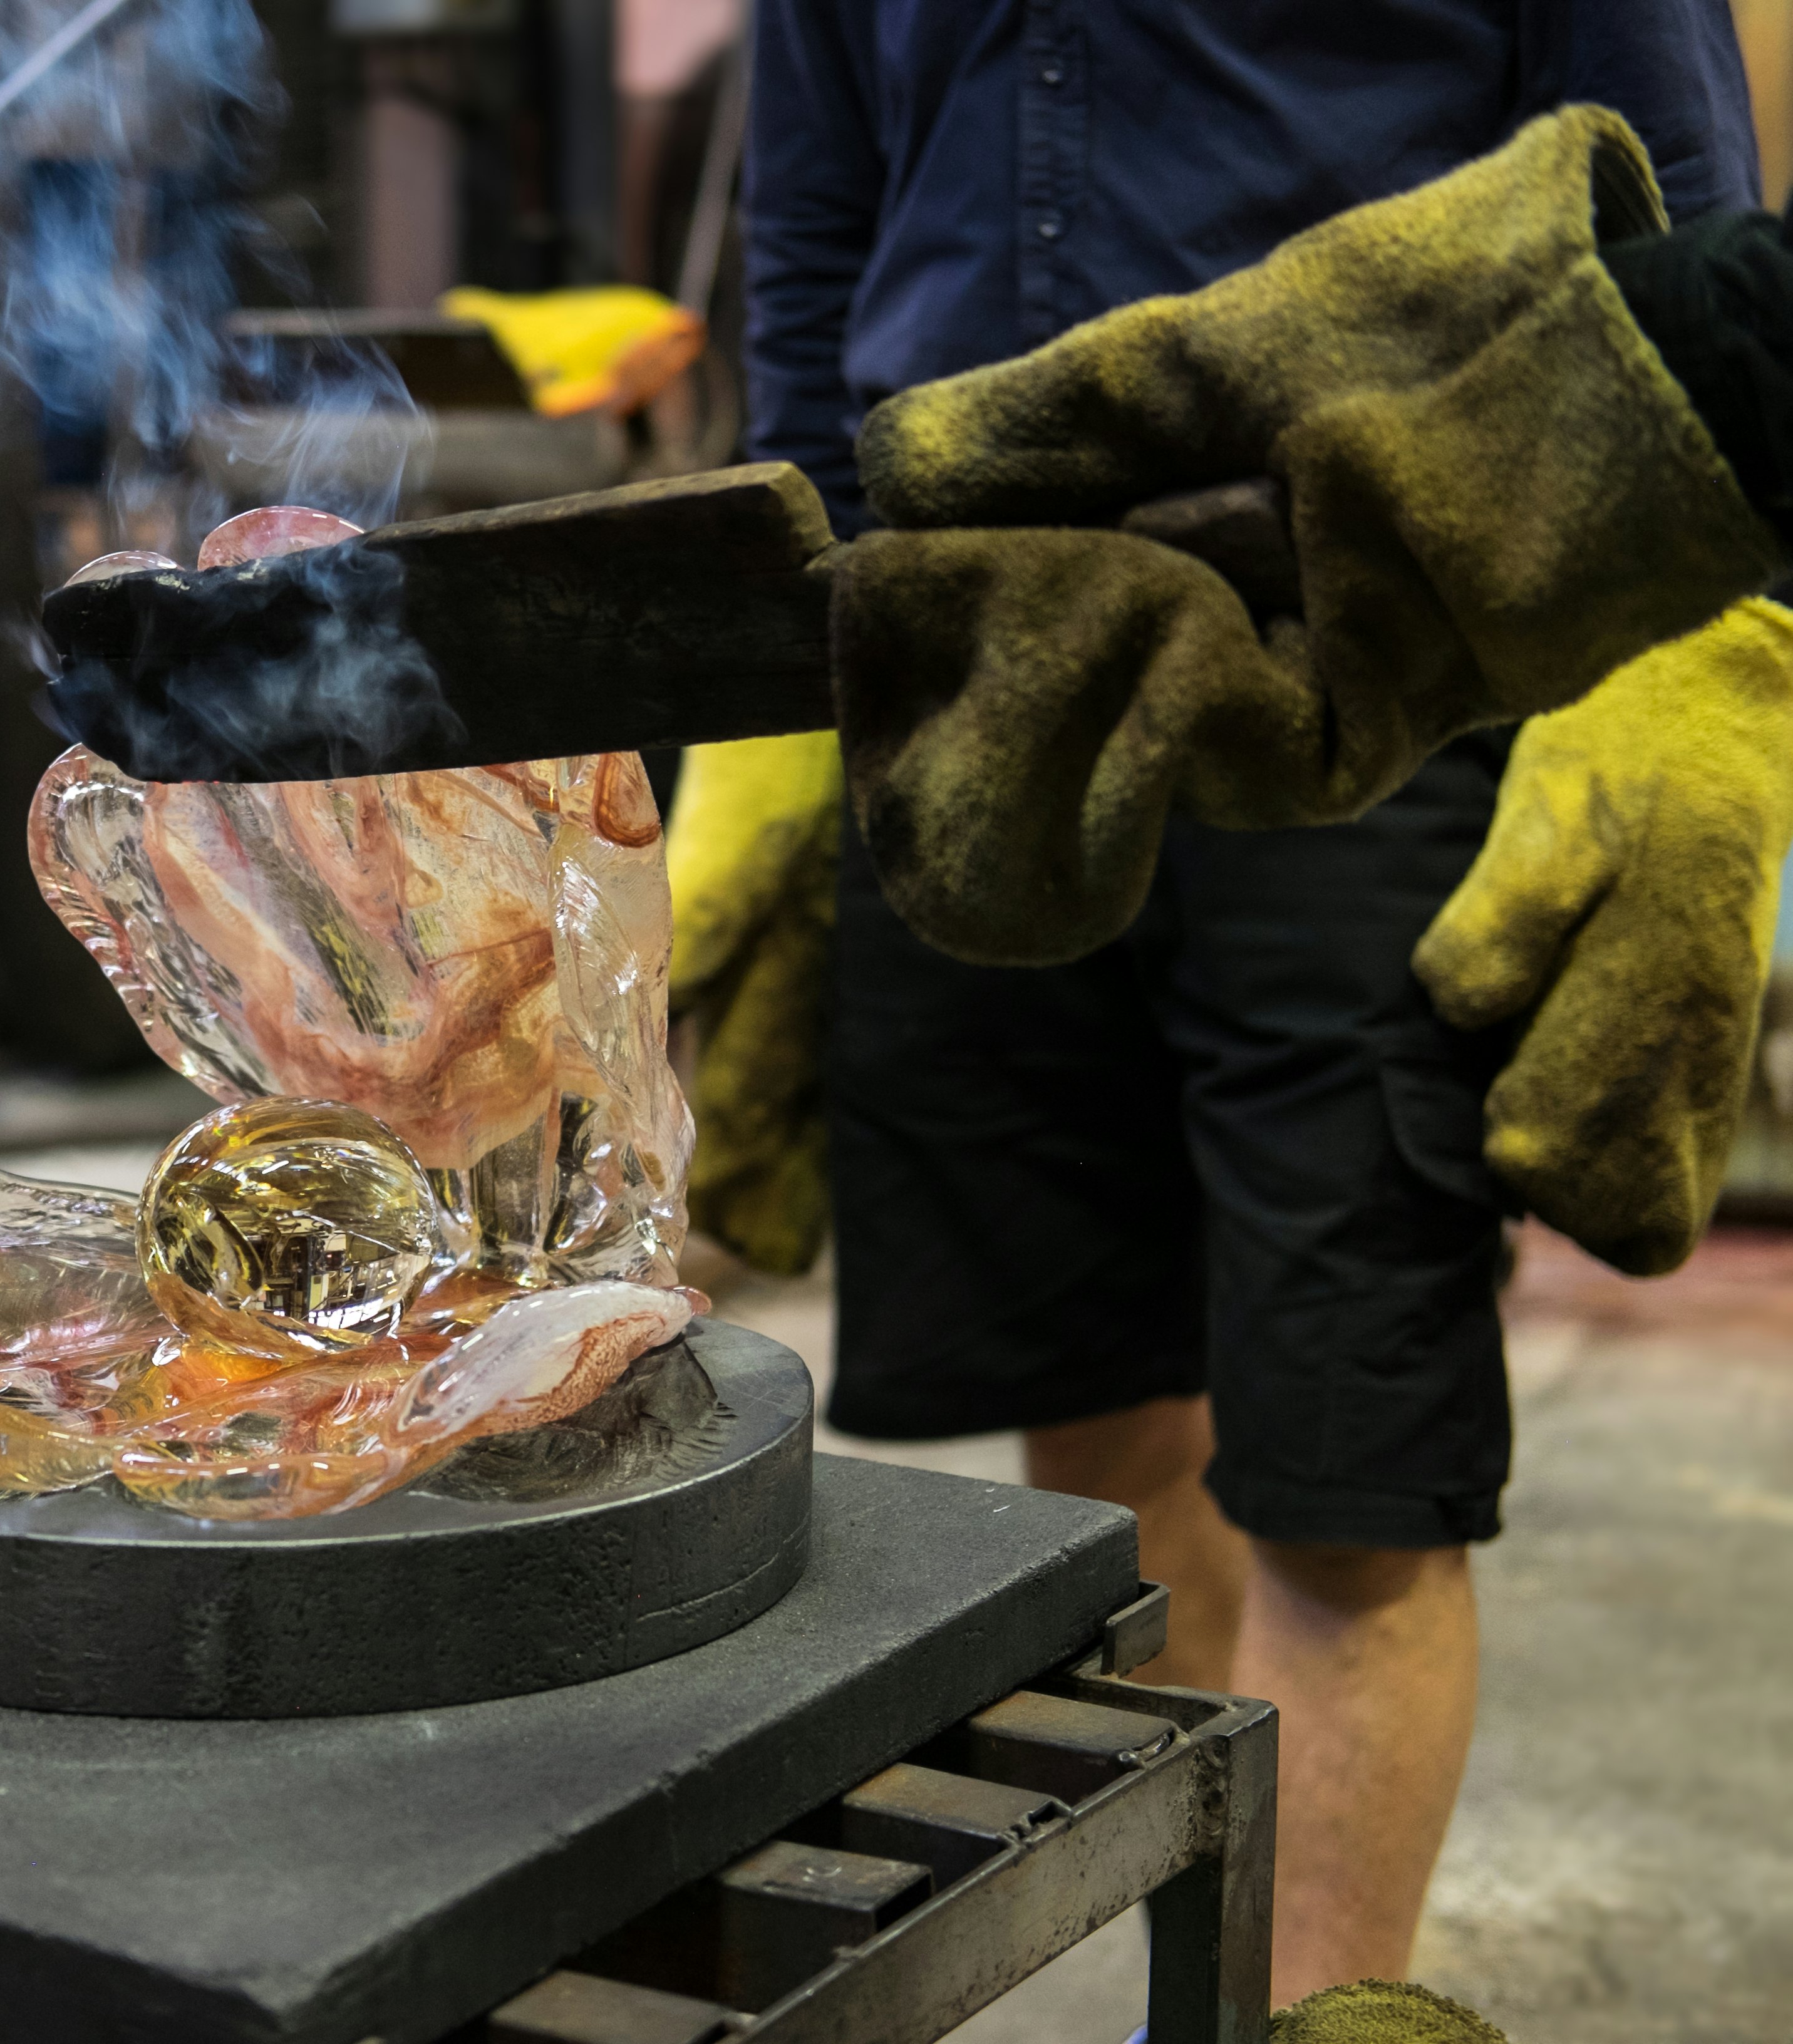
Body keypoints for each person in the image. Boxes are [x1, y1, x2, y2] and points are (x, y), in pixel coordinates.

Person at [691, 4, 1769, 2006]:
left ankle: (1324, 2005)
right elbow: (816, 226)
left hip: (1370, 648)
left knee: (1353, 1461)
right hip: (965, 649)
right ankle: (1212, 1972)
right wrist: (790, 670)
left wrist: (1699, 643)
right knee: (1092, 1389)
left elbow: (1679, 198)